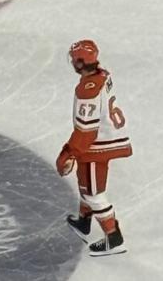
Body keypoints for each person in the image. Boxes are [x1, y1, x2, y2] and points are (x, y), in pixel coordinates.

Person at [56, 39, 132, 256]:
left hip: (97, 145)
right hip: (104, 139)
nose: (72, 62)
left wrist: (69, 153)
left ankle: (114, 238)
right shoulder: (102, 74)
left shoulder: (87, 90)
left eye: (74, 59)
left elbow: (86, 131)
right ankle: (83, 222)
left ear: (80, 63)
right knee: (85, 185)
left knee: (93, 194)